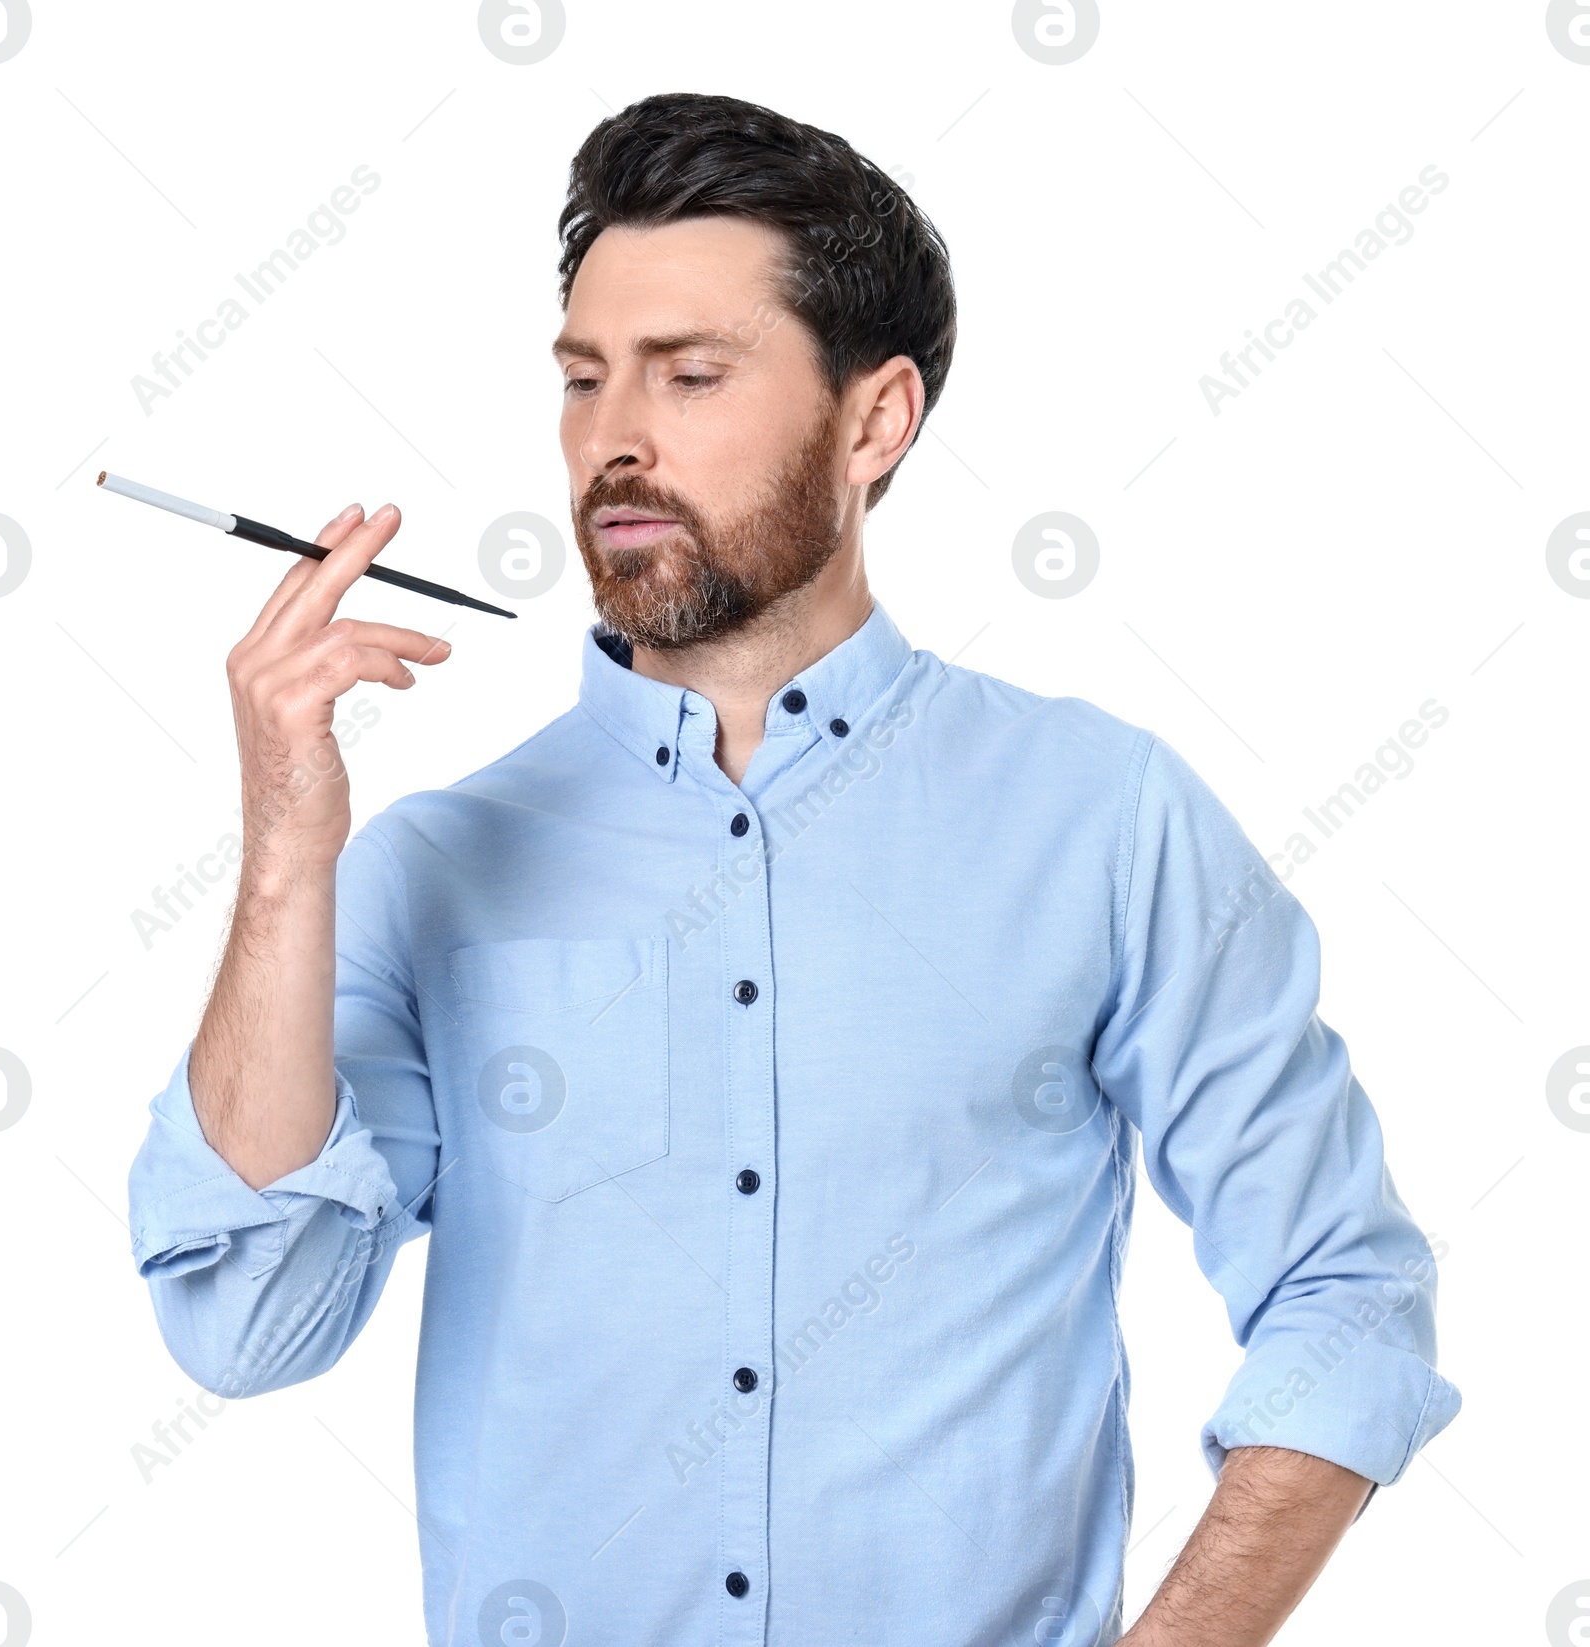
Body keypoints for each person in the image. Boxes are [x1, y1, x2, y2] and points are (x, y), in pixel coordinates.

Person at [127, 92, 1459, 1647]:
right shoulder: (432, 867)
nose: (613, 435)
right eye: (583, 378)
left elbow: (1347, 1293)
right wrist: (289, 851)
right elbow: (247, 1323)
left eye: (690, 375)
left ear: (875, 420)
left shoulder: (1104, 821)